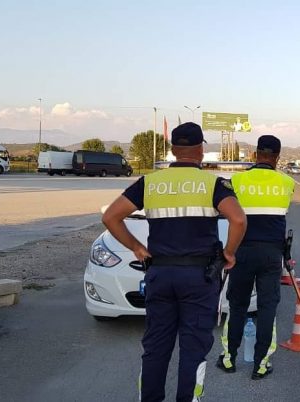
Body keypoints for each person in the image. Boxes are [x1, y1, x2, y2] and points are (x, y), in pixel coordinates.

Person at [102, 122, 247, 402]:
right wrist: (229, 253)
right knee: (193, 348)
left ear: (172, 150)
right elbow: (239, 219)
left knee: (156, 347)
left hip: (160, 273)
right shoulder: (213, 184)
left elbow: (110, 216)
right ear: (201, 150)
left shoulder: (150, 182)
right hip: (199, 277)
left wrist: (136, 247)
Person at [216, 134, 295, 380]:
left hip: (242, 252)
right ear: (278, 157)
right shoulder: (287, 182)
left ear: (255, 154)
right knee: (267, 307)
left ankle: (229, 359)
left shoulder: (237, 181)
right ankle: (261, 364)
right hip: (272, 253)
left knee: (237, 306)